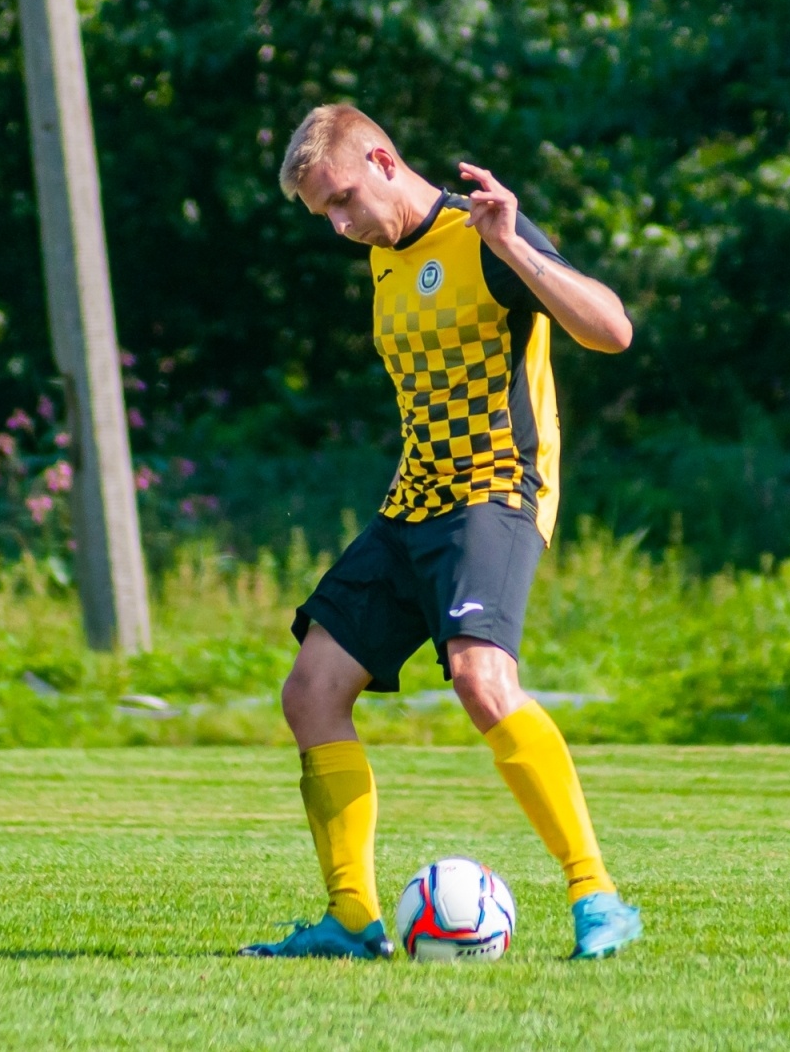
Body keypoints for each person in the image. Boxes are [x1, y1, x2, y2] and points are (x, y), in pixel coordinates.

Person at [240, 104, 642, 961]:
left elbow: (612, 330)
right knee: (310, 690)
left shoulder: (482, 231)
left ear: (383, 158)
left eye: (344, 200)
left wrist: (514, 247)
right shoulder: (385, 263)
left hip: (496, 494)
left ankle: (597, 895)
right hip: (413, 505)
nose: (343, 226)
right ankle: (352, 920)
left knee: (480, 680)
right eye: (326, 216)